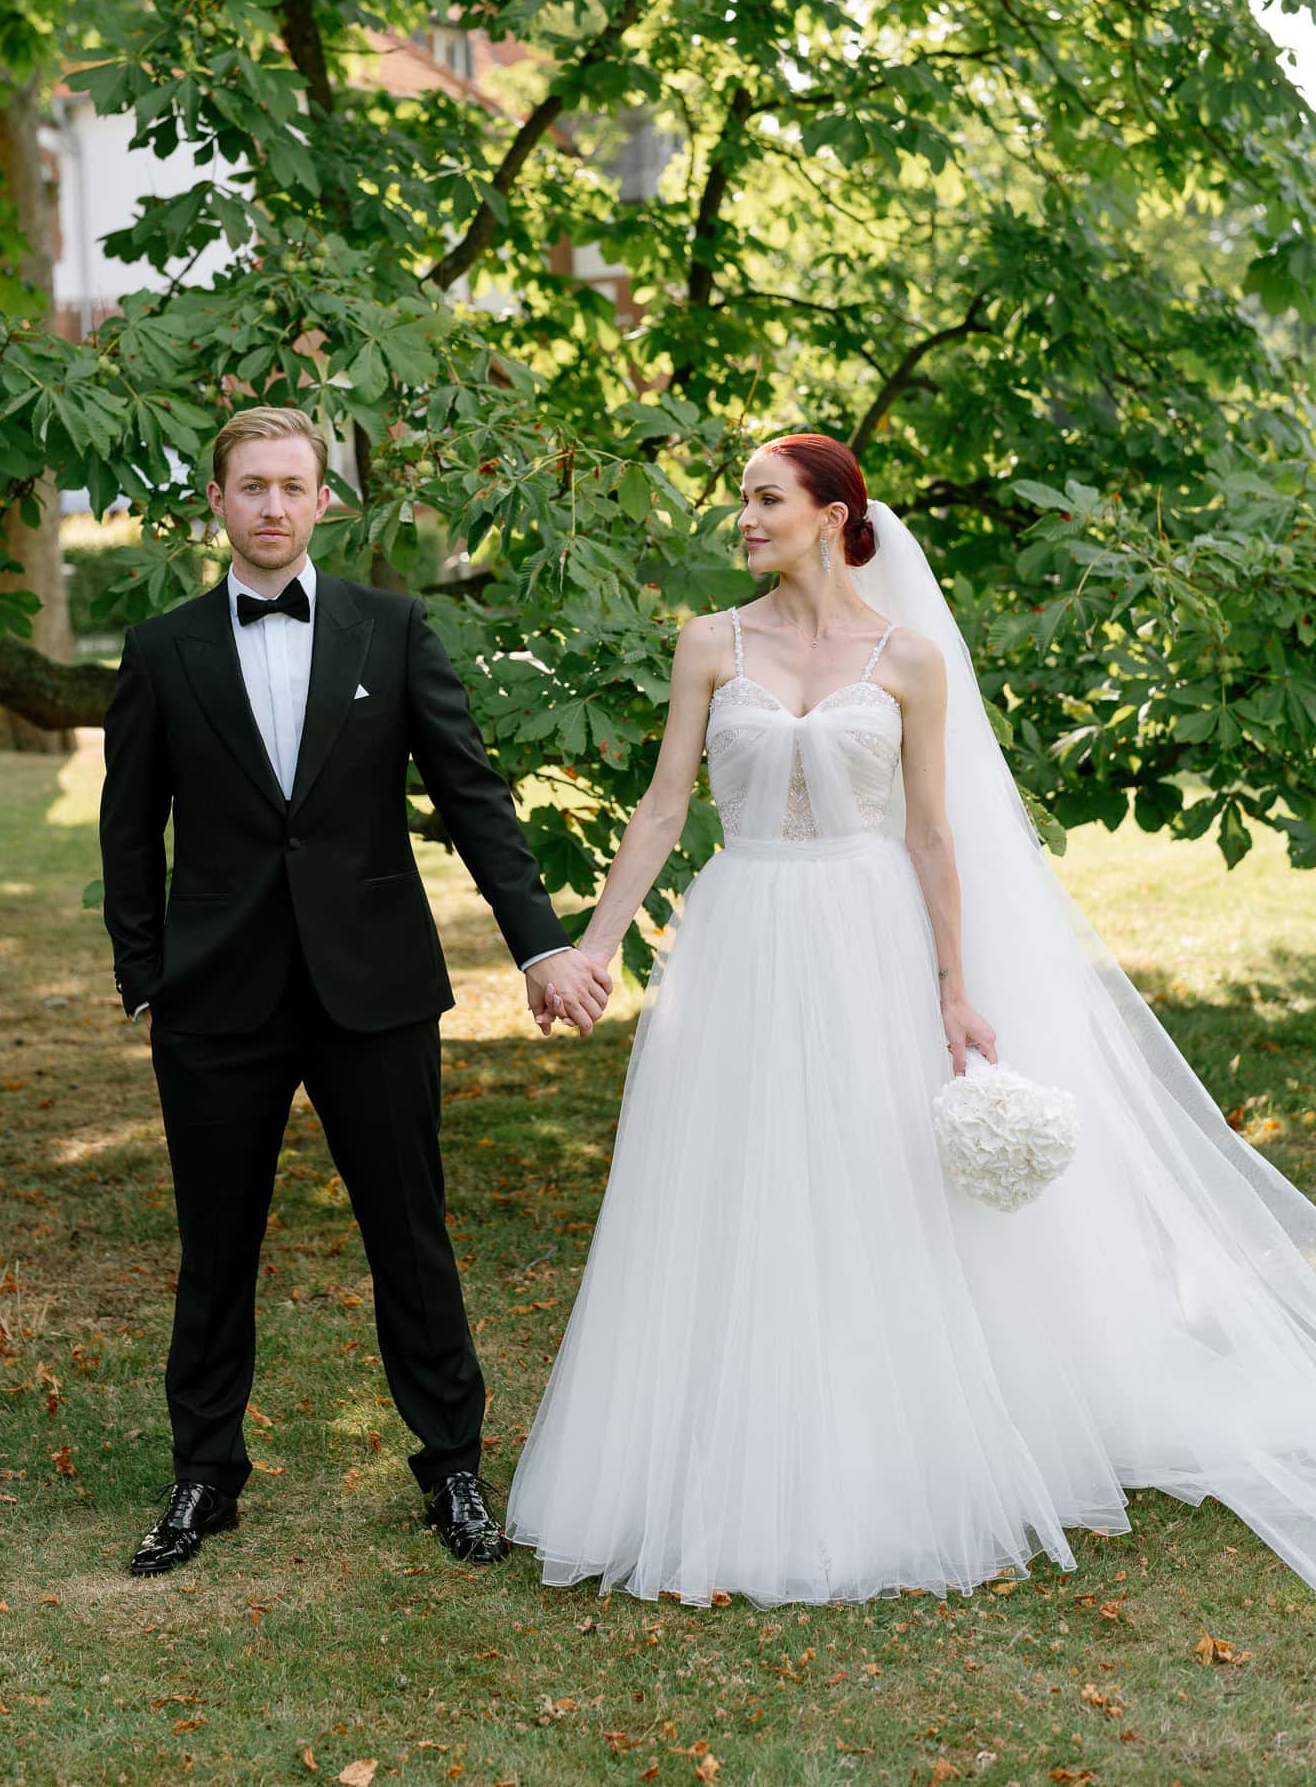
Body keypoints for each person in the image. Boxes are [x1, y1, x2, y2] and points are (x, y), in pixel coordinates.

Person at [505, 430, 1316, 1609]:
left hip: (867, 932)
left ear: (833, 514)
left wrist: (952, 985)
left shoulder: (909, 661)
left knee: (868, 1178)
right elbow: (665, 804)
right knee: (733, 1178)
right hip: (740, 932)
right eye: (740, 500)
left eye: (764, 499)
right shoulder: (707, 644)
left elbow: (932, 834)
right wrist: (593, 942)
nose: (741, 518)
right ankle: (725, 1447)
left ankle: (889, 1447)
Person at [99, 405, 611, 1578]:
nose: (273, 506)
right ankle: (202, 1479)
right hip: (215, 999)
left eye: (293, 485)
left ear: (326, 499)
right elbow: (129, 830)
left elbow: (475, 800)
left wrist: (539, 946)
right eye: (250, 487)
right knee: (215, 1245)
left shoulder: (394, 629)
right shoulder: (164, 648)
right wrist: (144, 980)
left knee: (411, 1234)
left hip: (372, 991)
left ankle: (454, 1473)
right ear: (216, 503)